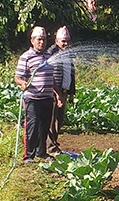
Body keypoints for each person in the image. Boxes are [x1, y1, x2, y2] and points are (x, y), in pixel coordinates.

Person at [14, 26, 63, 163]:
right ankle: (28, 155)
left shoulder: (48, 57)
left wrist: (58, 94)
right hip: (33, 98)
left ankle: (42, 152)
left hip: (47, 97)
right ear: (32, 41)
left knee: (44, 126)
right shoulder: (26, 57)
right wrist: (22, 83)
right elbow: (17, 77)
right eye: (39, 39)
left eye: (44, 39)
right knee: (32, 126)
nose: (42, 42)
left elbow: (51, 78)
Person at [47, 26, 75, 156]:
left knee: (59, 120)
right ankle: (50, 148)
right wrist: (57, 94)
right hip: (54, 92)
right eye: (63, 41)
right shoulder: (52, 53)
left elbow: (71, 73)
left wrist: (71, 94)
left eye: (68, 41)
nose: (66, 44)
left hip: (63, 91)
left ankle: (54, 144)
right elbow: (50, 75)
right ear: (56, 40)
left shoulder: (68, 53)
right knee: (51, 120)